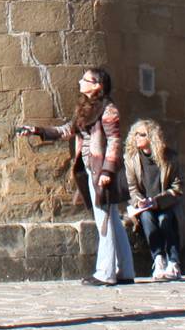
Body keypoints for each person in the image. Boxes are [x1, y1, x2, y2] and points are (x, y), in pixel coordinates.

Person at [18, 67, 135, 286]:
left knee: (104, 220)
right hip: (91, 169)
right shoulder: (86, 109)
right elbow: (67, 130)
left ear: (97, 85)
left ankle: (105, 272)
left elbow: (115, 141)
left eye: (86, 80)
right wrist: (36, 130)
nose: (81, 82)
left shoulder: (108, 109)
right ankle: (125, 270)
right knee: (112, 220)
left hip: (102, 170)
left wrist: (108, 171)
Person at [128, 118, 184, 280]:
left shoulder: (169, 158)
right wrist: (139, 201)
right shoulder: (132, 160)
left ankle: (174, 262)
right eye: (135, 134)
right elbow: (132, 187)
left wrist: (157, 201)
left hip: (166, 204)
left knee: (165, 220)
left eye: (142, 134)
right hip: (144, 207)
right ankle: (158, 259)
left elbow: (177, 187)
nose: (137, 137)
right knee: (147, 218)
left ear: (152, 137)